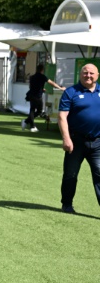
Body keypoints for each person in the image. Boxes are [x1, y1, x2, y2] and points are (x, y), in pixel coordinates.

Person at [57, 63, 100, 214]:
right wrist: (66, 138)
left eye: (91, 73)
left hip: (97, 142)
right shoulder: (71, 92)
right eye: (85, 73)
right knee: (70, 174)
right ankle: (67, 204)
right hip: (76, 142)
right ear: (80, 74)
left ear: (97, 75)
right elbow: (62, 116)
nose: (88, 75)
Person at [23, 64, 64, 132]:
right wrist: (60, 88)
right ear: (42, 70)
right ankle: (32, 126)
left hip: (31, 95)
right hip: (37, 96)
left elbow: (32, 86)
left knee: (32, 110)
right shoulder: (42, 76)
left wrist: (42, 89)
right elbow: (51, 83)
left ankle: (27, 122)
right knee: (38, 111)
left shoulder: (32, 77)